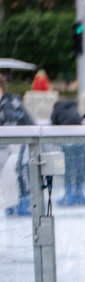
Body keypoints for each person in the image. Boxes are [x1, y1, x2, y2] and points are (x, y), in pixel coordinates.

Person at [0, 73, 35, 217]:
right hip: (22, 145)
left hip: (25, 145)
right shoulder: (8, 101)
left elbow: (10, 125)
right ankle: (17, 202)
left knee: (15, 169)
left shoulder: (7, 104)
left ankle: (22, 203)